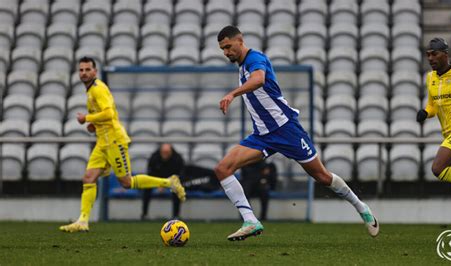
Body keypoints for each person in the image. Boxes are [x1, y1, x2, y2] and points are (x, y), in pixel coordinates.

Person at [215, 25, 379, 241]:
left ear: (240, 40)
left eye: (228, 46)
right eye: (223, 49)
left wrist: (232, 94)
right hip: (262, 135)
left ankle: (361, 207)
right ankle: (250, 220)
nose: (226, 52)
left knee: (321, 176)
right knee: (222, 169)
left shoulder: (255, 58)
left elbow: (259, 80)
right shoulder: (242, 66)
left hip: (286, 130)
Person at [59, 57, 186, 233]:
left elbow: (109, 113)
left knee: (126, 182)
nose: (84, 73)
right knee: (89, 178)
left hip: (114, 141)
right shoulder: (90, 92)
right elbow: (103, 115)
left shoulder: (98, 89)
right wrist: (93, 125)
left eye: (88, 69)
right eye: (81, 70)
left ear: (95, 72)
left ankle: (169, 182)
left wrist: (86, 118)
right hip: (102, 143)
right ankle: (83, 220)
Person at [416, 38, 451, 191]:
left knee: (438, 168)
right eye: (428, 55)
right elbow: (432, 105)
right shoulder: (430, 78)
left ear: (445, 54)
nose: (430, 58)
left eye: (434, 54)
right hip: (449, 135)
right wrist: (426, 112)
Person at [141, 144, 185, 220]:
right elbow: (150, 173)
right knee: (146, 188)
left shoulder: (177, 158)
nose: (165, 154)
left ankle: (176, 215)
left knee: (177, 189)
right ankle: (144, 214)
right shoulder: (154, 157)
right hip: (157, 179)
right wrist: (159, 184)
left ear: (171, 151)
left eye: (167, 152)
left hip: (172, 180)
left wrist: (169, 183)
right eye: (163, 152)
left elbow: (180, 174)